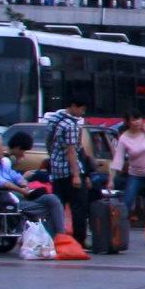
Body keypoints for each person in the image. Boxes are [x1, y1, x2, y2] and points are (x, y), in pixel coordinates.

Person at [0, 136, 67, 238]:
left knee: (52, 199)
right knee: (48, 207)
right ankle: (55, 238)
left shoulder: (2, 163)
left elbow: (15, 176)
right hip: (1, 201)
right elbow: (2, 183)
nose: (4, 149)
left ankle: (61, 236)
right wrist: (21, 190)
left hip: (14, 197)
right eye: (1, 146)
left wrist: (23, 183)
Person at [39, 90, 95, 240]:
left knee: (58, 206)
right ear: (74, 106)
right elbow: (72, 151)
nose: (82, 113)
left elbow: (49, 142)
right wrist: (76, 175)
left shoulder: (54, 119)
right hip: (70, 172)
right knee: (79, 207)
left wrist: (53, 158)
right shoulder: (71, 125)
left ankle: (56, 238)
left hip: (56, 171)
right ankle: (78, 241)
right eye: (82, 109)